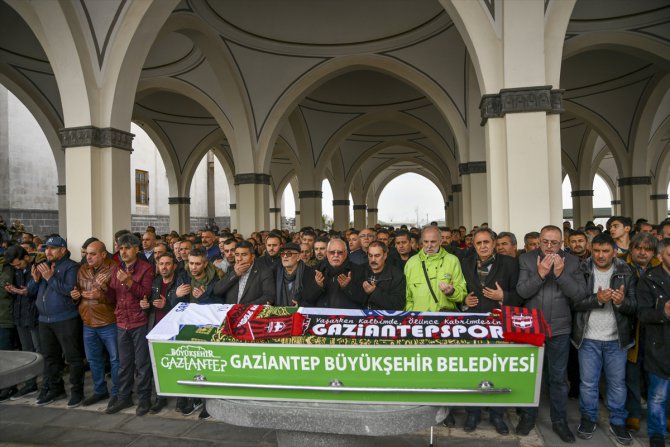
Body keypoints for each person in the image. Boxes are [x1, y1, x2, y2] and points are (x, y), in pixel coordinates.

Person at [516, 225, 587, 442]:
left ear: (562, 243)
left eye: (554, 243)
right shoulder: (527, 260)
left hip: (559, 329)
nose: (549, 247)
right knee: (530, 376)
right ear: (539, 240)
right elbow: (522, 292)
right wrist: (540, 274)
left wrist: (560, 275)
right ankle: (528, 417)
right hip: (532, 327)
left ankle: (559, 421)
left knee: (557, 379)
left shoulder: (573, 262)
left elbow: (579, 295)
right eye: (545, 241)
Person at [572, 233, 636, 445]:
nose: (600, 255)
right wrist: (596, 300)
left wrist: (621, 302)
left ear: (614, 251)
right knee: (588, 383)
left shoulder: (626, 271)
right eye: (597, 251)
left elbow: (635, 306)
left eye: (605, 251)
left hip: (616, 339)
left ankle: (617, 421)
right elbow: (575, 303)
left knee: (617, 384)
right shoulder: (582, 270)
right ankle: (588, 418)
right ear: (591, 249)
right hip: (588, 337)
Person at [458, 228, 520, 435]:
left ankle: (497, 414)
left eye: (487, 242)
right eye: (479, 243)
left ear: (494, 243)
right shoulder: (465, 264)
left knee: (497, 369)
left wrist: (504, 297)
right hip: (472, 324)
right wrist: (464, 302)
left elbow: (520, 295)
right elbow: (460, 292)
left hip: (499, 325)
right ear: (473, 245)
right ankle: (473, 413)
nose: (483, 246)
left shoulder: (510, 263)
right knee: (472, 369)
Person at [28, 236, 85, 408]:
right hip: (44, 320)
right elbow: (31, 291)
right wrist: (37, 280)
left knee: (72, 358)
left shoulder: (71, 267)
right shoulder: (43, 266)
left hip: (65, 319)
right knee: (50, 357)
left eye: (52, 248)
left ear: (62, 250)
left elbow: (70, 291)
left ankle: (77, 391)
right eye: (46, 248)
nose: (48, 251)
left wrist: (50, 278)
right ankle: (55, 388)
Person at [106, 233, 154, 416]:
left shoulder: (146, 268)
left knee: (142, 364)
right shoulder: (116, 269)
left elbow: (146, 293)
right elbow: (113, 296)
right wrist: (105, 290)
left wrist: (129, 282)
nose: (123, 251)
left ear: (136, 249)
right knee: (124, 364)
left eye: (127, 248)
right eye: (121, 248)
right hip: (122, 321)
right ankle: (124, 397)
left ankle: (144, 399)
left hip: (139, 321)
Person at [70, 240, 118, 407]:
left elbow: (119, 297)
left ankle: (118, 392)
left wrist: (100, 295)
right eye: (86, 254)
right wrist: (75, 296)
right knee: (93, 359)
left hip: (108, 321)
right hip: (88, 321)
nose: (88, 257)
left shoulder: (114, 268)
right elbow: (79, 290)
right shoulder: (83, 269)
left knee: (115, 359)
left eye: (92, 254)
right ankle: (100, 390)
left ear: (103, 254)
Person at [622, 232, 660, 432]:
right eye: (639, 248)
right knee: (632, 374)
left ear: (653, 252)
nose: (642, 252)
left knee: (656, 373)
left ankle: (659, 414)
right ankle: (633, 413)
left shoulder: (660, 267)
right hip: (631, 327)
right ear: (631, 248)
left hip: (656, 328)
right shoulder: (622, 266)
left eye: (647, 249)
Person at [636, 238, 670, 447]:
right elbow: (642, 313)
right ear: (660, 257)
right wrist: (663, 313)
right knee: (658, 396)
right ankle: (656, 434)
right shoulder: (649, 280)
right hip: (660, 345)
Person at [2, 245, 41, 400]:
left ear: (26, 257)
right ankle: (30, 384)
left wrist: (21, 290)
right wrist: (12, 290)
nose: (17, 267)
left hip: (34, 315)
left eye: (18, 264)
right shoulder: (15, 270)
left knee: (39, 351)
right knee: (26, 351)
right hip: (19, 314)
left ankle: (48, 384)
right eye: (14, 266)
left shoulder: (36, 267)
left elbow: (31, 290)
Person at [404, 226, 466, 312]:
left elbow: (462, 293)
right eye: (426, 242)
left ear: (440, 241)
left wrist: (452, 292)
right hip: (419, 320)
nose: (429, 245)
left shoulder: (452, 261)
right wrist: (411, 315)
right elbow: (408, 297)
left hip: (444, 319)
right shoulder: (411, 263)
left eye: (433, 242)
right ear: (421, 242)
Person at [308, 238, 366, 309]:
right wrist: (317, 286)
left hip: (348, 318)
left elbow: (364, 300)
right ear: (326, 253)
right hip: (322, 317)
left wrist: (348, 287)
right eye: (332, 252)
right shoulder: (316, 270)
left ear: (346, 253)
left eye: (340, 252)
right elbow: (307, 299)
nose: (336, 255)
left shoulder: (359, 270)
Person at [213, 241, 275, 305]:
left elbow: (269, 297)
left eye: (244, 255)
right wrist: (235, 274)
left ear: (253, 256)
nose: (239, 259)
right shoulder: (231, 269)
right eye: (237, 255)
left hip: (251, 312)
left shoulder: (264, 271)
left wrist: (243, 308)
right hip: (230, 312)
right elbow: (217, 291)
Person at [274, 242, 323, 307]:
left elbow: (311, 299)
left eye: (289, 254)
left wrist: (300, 305)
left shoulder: (309, 273)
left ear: (298, 257)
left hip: (300, 313)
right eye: (282, 254)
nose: (285, 256)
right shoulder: (275, 273)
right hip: (278, 313)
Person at [362, 241, 405, 310]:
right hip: (361, 318)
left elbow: (398, 304)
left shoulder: (397, 275)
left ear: (385, 256)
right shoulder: (361, 270)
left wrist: (374, 292)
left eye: (377, 255)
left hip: (384, 319)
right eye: (370, 255)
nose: (373, 259)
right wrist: (347, 286)